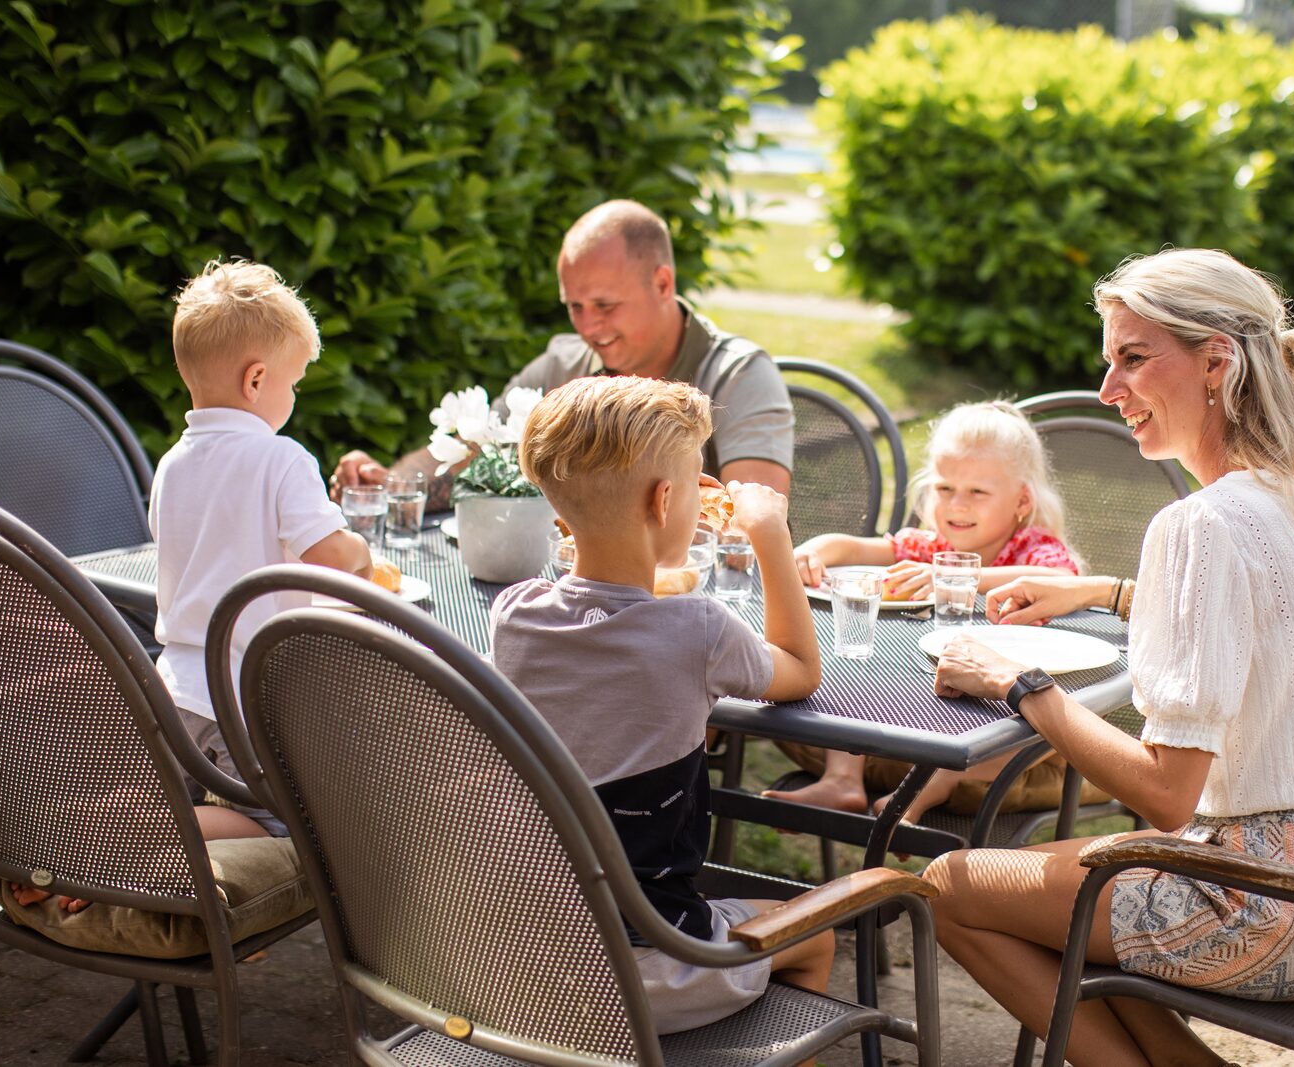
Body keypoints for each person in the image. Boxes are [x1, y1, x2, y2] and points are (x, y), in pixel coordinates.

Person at [921, 248, 1294, 1066]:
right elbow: (1265, 614)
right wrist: (1106, 592)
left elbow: (1166, 794)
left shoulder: (1204, 525)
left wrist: (1023, 686)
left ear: (1216, 361)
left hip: (1259, 903)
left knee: (951, 888)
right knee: (1026, 881)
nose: (1110, 389)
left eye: (1134, 359)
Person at [488, 375, 831, 1034]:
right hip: (642, 971)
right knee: (816, 937)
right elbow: (801, 670)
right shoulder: (697, 629)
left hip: (519, 964)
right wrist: (769, 535)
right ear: (667, 497)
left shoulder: (515, 612)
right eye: (694, 480)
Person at [331, 199, 794, 503]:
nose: (589, 326)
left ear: (663, 284)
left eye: (605, 305)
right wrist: (388, 483)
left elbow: (751, 522)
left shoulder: (738, 375)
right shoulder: (564, 364)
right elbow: (473, 447)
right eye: (574, 306)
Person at [769, 401, 1087, 820]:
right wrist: (813, 550)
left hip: (1013, 723)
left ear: (1021, 501)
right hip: (935, 708)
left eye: (977, 492)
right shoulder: (932, 547)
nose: (957, 505)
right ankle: (841, 780)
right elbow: (852, 547)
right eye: (944, 488)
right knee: (858, 664)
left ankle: (922, 795)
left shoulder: (1036, 549)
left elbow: (1066, 581)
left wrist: (956, 578)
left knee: (1033, 735)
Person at [151, 259, 373, 840]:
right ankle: (140, 836)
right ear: (256, 380)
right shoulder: (281, 459)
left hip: (173, 688)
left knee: (200, 800)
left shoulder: (171, 465)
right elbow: (332, 559)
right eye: (294, 382)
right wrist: (360, 552)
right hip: (239, 698)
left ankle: (143, 835)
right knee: (278, 830)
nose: (295, 395)